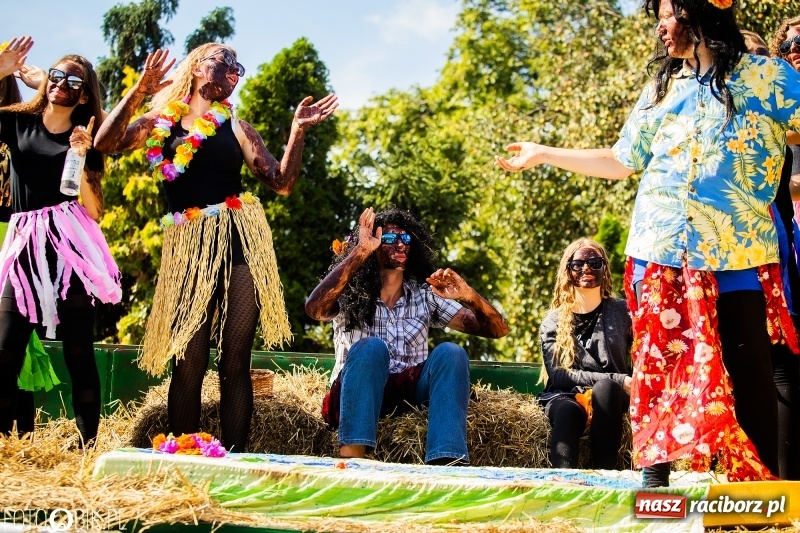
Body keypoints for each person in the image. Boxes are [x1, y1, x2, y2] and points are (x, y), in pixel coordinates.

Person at [495, 0, 800, 485]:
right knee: (660, 371)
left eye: (668, 14)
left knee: (750, 374)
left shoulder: (770, 78)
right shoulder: (663, 89)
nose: (660, 27)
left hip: (738, 253)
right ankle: (656, 497)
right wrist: (544, 153)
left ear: (701, 15)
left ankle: (759, 505)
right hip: (659, 252)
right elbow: (621, 161)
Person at [94, 45, 338, 452]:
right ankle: (183, 456)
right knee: (189, 357)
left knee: (234, 359)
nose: (232, 71)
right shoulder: (158, 124)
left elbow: (282, 182)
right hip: (189, 246)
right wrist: (140, 89)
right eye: (223, 61)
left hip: (239, 238)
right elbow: (106, 143)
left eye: (237, 67)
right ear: (196, 66)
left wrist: (297, 131)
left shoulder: (237, 127)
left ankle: (235, 460)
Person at [305, 207, 510, 464]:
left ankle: (447, 462)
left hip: (407, 398)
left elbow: (498, 329)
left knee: (451, 352)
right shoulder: (349, 290)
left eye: (406, 239)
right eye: (389, 239)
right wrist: (360, 251)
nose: (400, 244)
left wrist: (469, 296)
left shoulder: (424, 293)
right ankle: (353, 461)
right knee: (371, 348)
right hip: (357, 395)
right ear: (374, 244)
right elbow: (314, 309)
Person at [0, 36, 120, 444]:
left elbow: (95, 210)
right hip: (24, 249)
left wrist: (84, 158)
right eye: (57, 75)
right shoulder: (16, 120)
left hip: (68, 250)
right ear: (45, 80)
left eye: (74, 81)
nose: (62, 83)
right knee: (5, 351)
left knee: (78, 351)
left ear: (85, 94)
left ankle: (88, 448)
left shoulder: (85, 136)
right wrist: (3, 69)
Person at [539, 238, 632, 470]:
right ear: (567, 271)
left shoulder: (624, 312)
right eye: (578, 264)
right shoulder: (553, 321)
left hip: (611, 397)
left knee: (606, 389)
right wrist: (619, 379)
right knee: (568, 412)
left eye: (594, 262)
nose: (587, 268)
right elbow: (560, 376)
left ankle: (606, 474)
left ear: (605, 269)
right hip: (566, 395)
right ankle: (564, 483)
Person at [0, 41, 54, 438]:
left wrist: (42, 82)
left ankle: (22, 437)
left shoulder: (22, 124)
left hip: (15, 234)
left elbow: (66, 111)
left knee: (14, 337)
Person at [764, 20, 800, 480]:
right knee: (783, 356)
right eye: (791, 43)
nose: (798, 49)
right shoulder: (777, 99)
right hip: (781, 241)